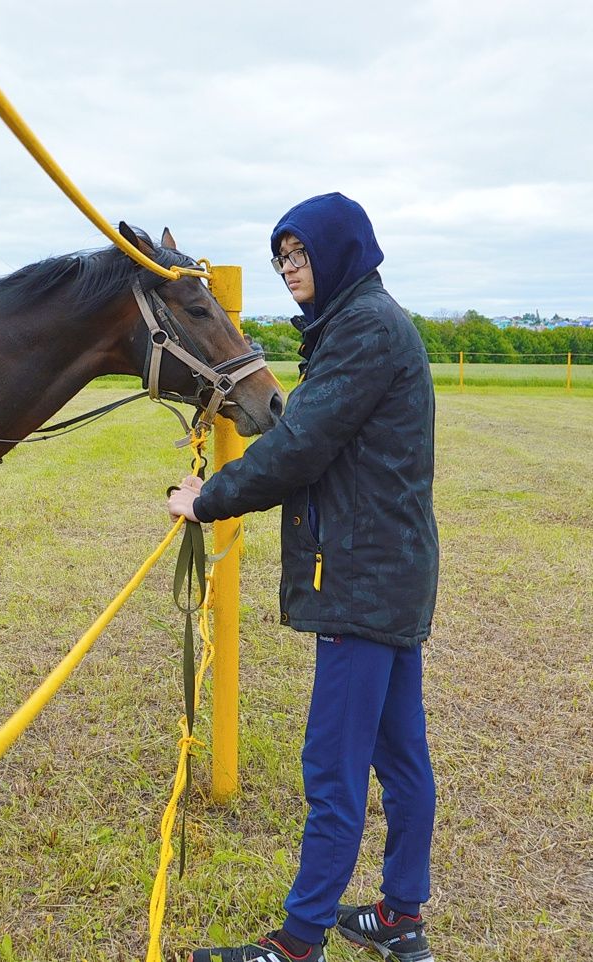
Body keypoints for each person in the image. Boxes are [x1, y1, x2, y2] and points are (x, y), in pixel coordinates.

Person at [169, 193, 438, 962]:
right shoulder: (361, 324)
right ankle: (401, 918)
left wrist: (207, 499)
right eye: (281, 257)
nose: (290, 269)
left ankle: (298, 942)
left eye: (301, 254)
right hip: (389, 571)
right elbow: (315, 429)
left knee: (333, 765)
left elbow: (298, 450)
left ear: (342, 249)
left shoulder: (362, 329)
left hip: (364, 578)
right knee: (400, 755)